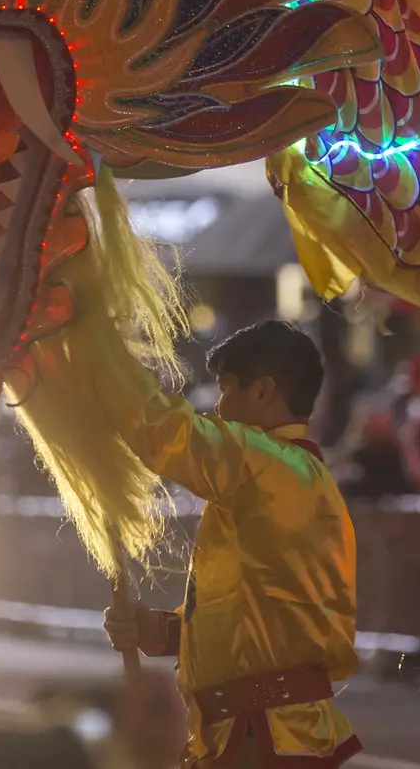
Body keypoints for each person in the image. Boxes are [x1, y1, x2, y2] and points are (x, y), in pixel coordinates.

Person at [99, 320, 360, 768]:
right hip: (249, 734)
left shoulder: (268, 467)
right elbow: (249, 620)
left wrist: (101, 361)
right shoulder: (276, 476)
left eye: (226, 390)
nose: (217, 408)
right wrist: (157, 631)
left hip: (264, 737)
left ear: (262, 392)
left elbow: (167, 434)